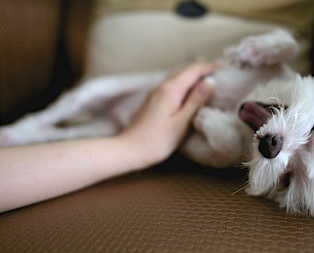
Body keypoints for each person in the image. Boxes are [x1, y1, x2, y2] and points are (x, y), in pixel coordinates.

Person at [0, 62, 217, 213]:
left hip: (125, 129)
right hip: (138, 120)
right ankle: (27, 130)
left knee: (81, 129)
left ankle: (26, 132)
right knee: (90, 95)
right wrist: (135, 147)